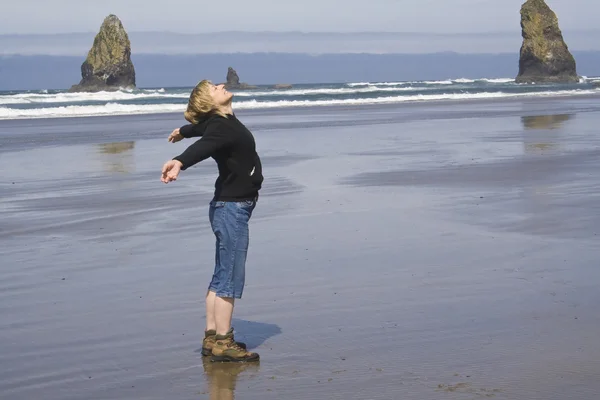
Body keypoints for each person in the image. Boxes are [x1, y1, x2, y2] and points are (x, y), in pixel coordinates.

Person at [161, 80, 263, 363]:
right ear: (211, 103)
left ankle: (211, 337)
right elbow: (204, 146)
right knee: (230, 276)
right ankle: (224, 341)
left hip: (227, 207)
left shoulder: (222, 120)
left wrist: (183, 130)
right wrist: (180, 161)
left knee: (222, 273)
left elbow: (202, 129)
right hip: (232, 209)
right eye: (215, 88)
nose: (221, 85)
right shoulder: (221, 127)